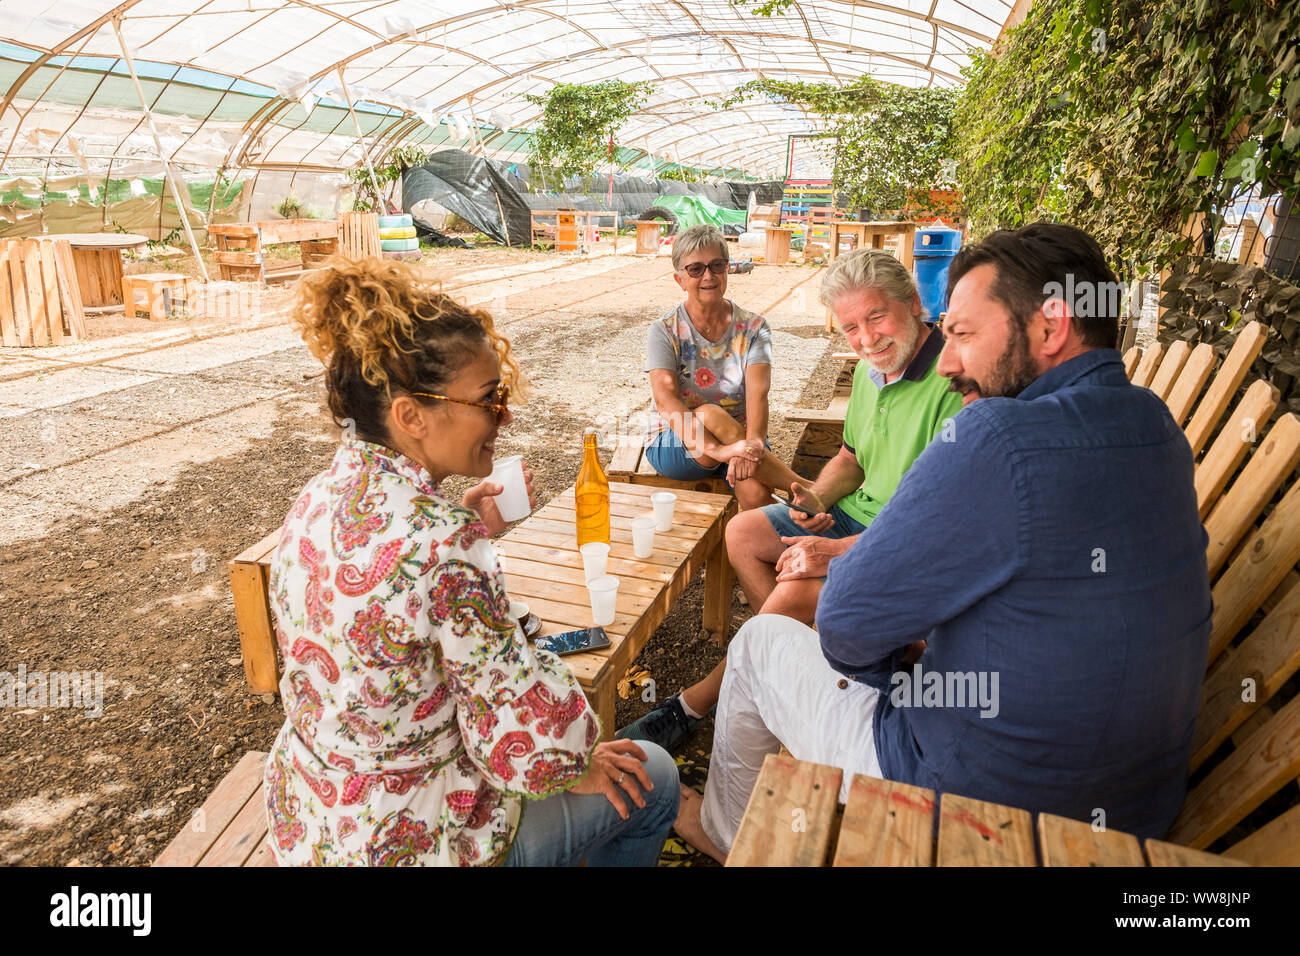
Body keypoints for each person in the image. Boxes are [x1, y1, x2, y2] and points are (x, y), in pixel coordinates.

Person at [679, 222, 1212, 861]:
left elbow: (846, 627)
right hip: (1136, 804)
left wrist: (899, 662)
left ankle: (724, 832)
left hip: (976, 803)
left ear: (1052, 324)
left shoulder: (998, 434)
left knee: (762, 643)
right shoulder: (1153, 421)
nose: (951, 360)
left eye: (962, 334)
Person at [264, 257, 678, 866]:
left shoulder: (320, 497)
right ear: (411, 415)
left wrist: (451, 526)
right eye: (490, 398)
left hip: (316, 819)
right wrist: (581, 760)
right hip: (414, 839)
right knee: (656, 776)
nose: (504, 415)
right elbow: (523, 740)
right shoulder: (443, 543)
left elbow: (393, 602)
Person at [619, 249, 961, 751]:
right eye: (850, 328)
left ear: (913, 303)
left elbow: (943, 520)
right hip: (855, 516)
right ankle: (799, 671)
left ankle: (697, 701)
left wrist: (839, 551)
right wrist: (817, 494)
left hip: (903, 543)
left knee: (795, 590)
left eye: (876, 316)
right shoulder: (871, 372)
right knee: (744, 531)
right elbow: (852, 457)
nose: (866, 339)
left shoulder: (952, 384)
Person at [644, 224, 802, 511]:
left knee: (755, 493)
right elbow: (666, 402)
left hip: (740, 437)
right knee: (708, 414)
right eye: (695, 269)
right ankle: (803, 488)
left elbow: (758, 395)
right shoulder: (664, 330)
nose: (708, 276)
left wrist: (750, 447)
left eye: (717, 265)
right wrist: (721, 450)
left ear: (728, 269)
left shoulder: (754, 327)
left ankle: (758, 548)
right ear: (679, 279)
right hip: (677, 442)